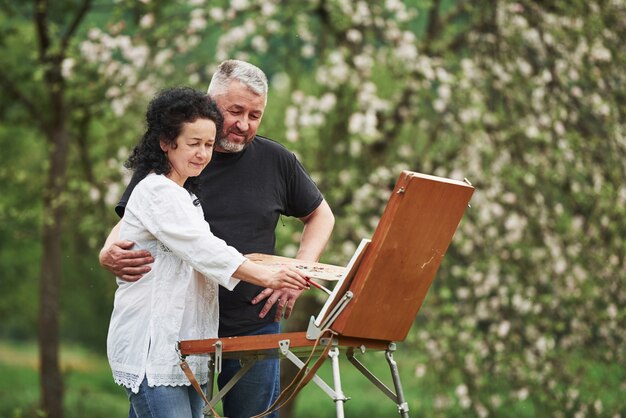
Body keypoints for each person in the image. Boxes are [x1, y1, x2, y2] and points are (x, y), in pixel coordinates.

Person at [100, 60, 335, 417]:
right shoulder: (168, 168)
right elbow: (144, 218)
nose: (243, 124)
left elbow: (321, 215)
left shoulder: (274, 159)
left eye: (255, 115)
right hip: (176, 325)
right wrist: (107, 249)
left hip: (252, 319)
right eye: (235, 111)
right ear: (210, 104)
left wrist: (295, 275)